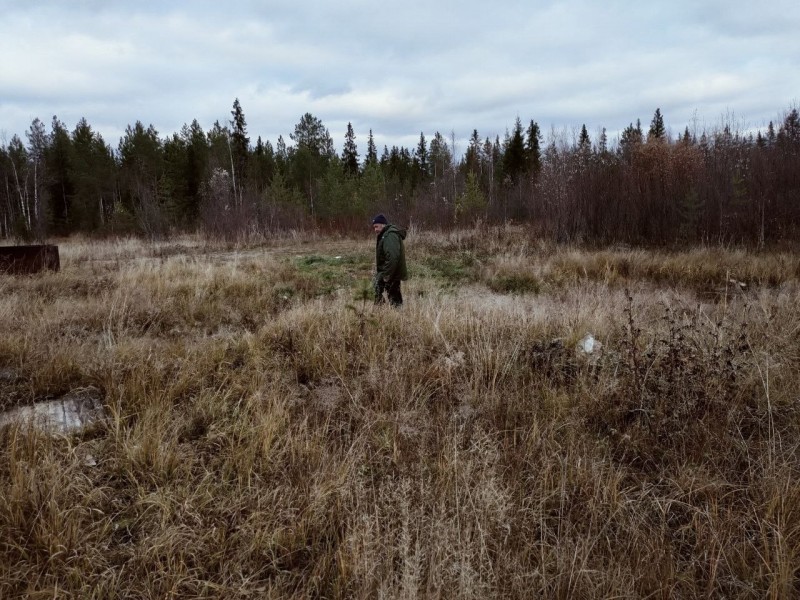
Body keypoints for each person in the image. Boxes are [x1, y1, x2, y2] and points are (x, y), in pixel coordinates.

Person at [371, 213, 407, 307]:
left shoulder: (390, 235)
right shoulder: (385, 234)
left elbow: (392, 257)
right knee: (378, 289)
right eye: (374, 227)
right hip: (389, 271)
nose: (375, 230)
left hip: (392, 273)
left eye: (376, 226)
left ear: (383, 224)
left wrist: (387, 275)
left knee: (394, 297)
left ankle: (398, 316)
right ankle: (380, 311)